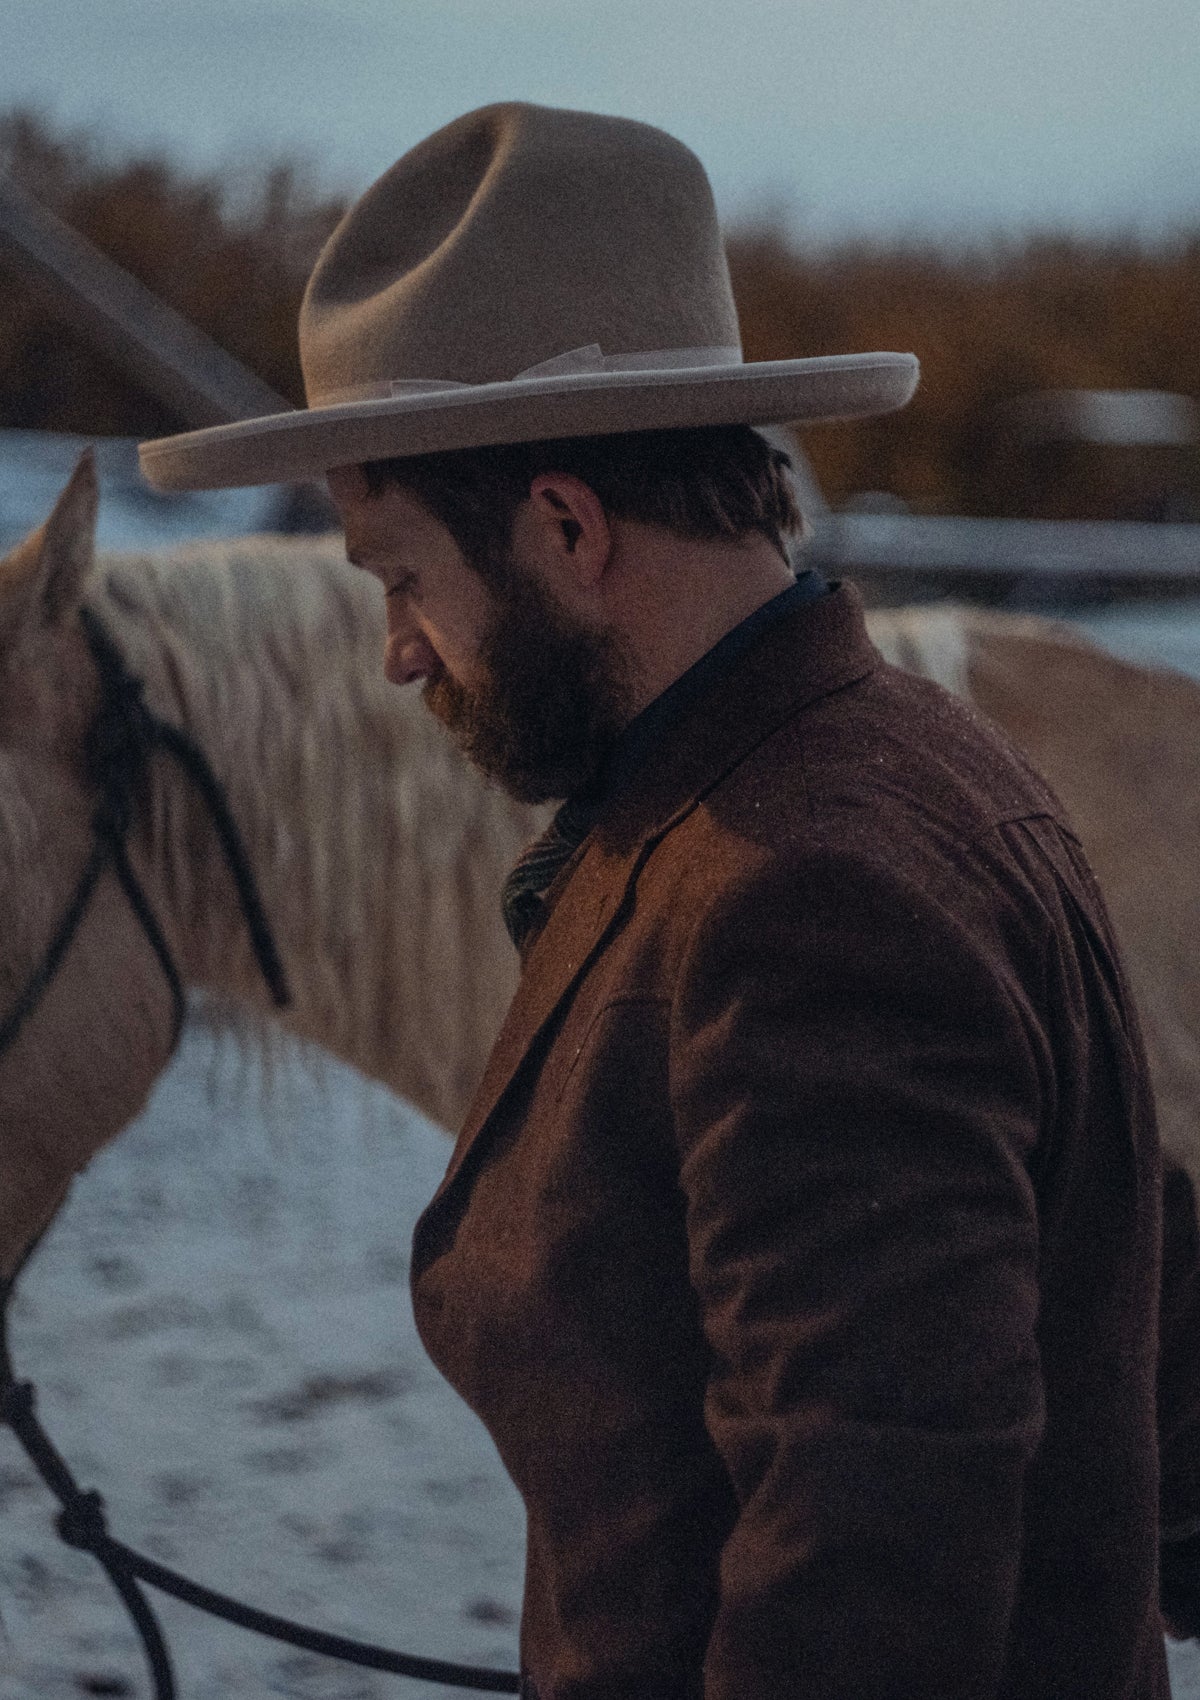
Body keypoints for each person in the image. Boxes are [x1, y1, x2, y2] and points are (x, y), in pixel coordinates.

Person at [140, 103, 1174, 1699]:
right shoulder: (859, 766)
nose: (399, 650)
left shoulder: (806, 891)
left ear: (565, 526)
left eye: (403, 578)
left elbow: (873, 1582)